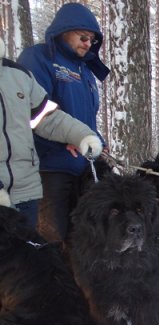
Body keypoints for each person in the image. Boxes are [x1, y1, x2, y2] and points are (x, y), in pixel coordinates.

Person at [18, 2, 110, 243]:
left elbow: (86, 117)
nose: (87, 43)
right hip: (49, 166)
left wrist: (98, 141)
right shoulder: (38, 58)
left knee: (85, 238)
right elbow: (33, 110)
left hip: (83, 169)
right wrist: (70, 137)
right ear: (63, 31)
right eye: (82, 36)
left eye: (91, 39)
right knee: (53, 238)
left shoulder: (85, 72)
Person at [0, 37, 102, 227]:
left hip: (25, 195)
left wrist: (81, 136)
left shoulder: (18, 75)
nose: (88, 42)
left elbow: (47, 118)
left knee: (27, 254)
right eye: (83, 36)